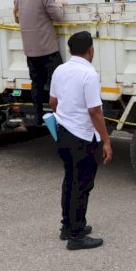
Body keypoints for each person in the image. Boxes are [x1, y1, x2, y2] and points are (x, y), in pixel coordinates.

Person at [49, 31, 113, 250]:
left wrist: (66, 118)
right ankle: (77, 236)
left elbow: (53, 102)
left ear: (69, 50)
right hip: (82, 136)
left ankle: (67, 227)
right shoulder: (89, 74)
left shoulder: (60, 70)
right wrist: (106, 140)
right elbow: (95, 111)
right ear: (91, 50)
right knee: (82, 184)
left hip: (63, 133)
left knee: (69, 180)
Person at [14, 0, 65, 125]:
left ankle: (38, 116)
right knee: (57, 84)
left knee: (36, 83)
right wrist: (60, 5)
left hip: (30, 51)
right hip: (47, 50)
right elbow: (58, 17)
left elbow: (17, 19)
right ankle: (60, 116)